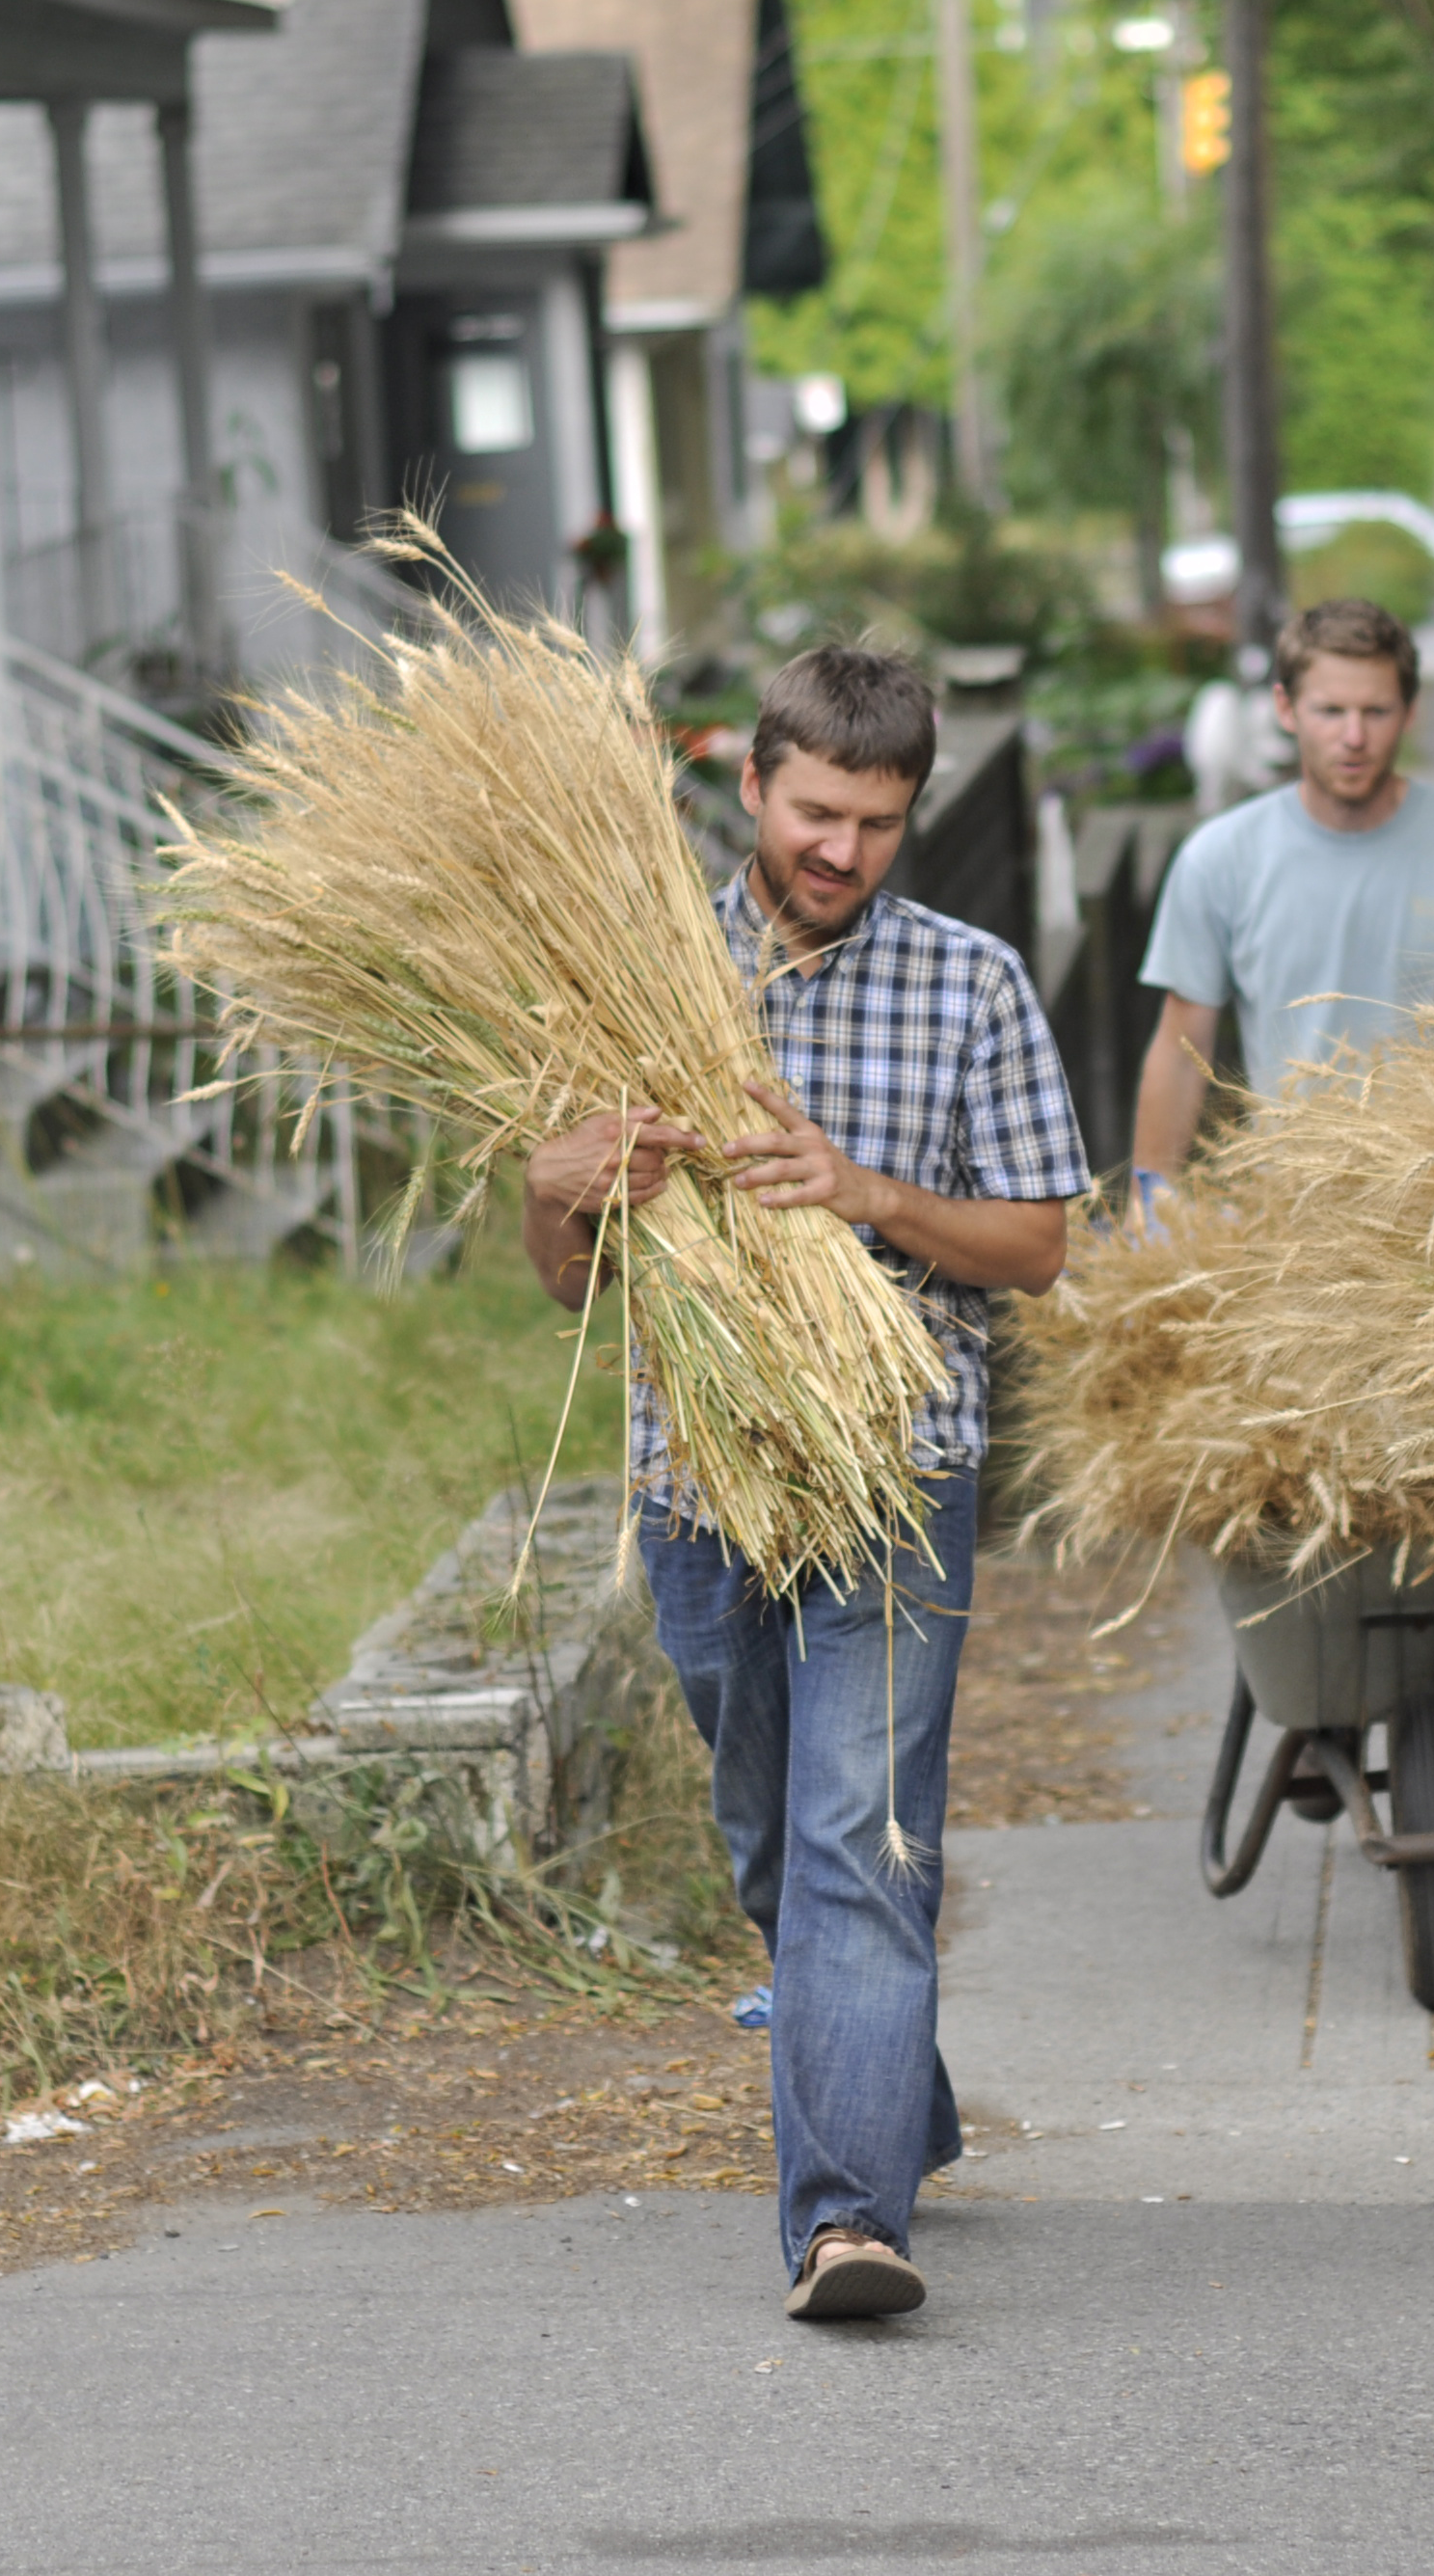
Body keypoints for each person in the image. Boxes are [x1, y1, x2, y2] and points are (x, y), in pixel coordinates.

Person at [519, 646, 1090, 2324]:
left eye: (879, 821)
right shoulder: (631, 973)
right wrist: (560, 1182)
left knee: (860, 1833)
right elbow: (565, 1280)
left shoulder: (970, 983)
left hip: (899, 1472)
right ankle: (886, 2087)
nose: (843, 850)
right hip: (694, 1477)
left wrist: (859, 1191)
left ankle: (847, 2217)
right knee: (778, 1838)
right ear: (754, 784)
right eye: (817, 813)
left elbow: (1040, 1243)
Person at [1131, 597, 1434, 1177]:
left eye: (1376, 711)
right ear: (1285, 709)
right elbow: (1183, 1047)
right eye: (1331, 710)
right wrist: (1149, 1197)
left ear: (1410, 712)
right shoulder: (1219, 858)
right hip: (1296, 1207)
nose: (1354, 736)